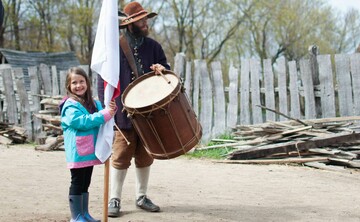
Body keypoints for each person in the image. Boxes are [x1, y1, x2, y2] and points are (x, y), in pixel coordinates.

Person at [97, 1, 170, 218]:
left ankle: (141, 196)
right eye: (141, 20)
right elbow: (104, 80)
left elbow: (167, 73)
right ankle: (114, 199)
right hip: (123, 112)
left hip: (149, 111)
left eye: (146, 19)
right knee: (120, 155)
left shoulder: (154, 47)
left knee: (145, 156)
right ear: (130, 24)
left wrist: (162, 69)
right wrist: (108, 107)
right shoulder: (114, 47)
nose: (146, 23)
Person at [60, 67, 116, 222]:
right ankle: (76, 216)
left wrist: (110, 109)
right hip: (77, 152)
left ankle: (84, 213)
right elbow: (82, 122)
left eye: (81, 81)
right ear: (68, 86)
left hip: (89, 151)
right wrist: (104, 115)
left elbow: (104, 112)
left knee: (86, 182)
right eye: (74, 83)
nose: (79, 85)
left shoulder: (93, 103)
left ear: (87, 83)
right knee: (77, 182)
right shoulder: (70, 105)